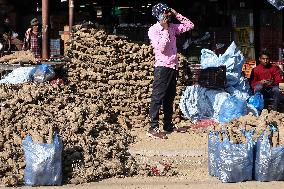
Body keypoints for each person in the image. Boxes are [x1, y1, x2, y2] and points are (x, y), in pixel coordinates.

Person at [147, 3, 194, 139]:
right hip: (162, 67)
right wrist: (165, 29)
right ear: (159, 15)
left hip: (173, 66)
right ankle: (153, 127)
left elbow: (190, 25)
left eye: (168, 13)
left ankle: (168, 125)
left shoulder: (173, 27)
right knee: (158, 97)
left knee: (169, 97)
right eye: (166, 13)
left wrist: (176, 13)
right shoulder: (154, 30)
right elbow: (161, 48)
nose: (168, 15)